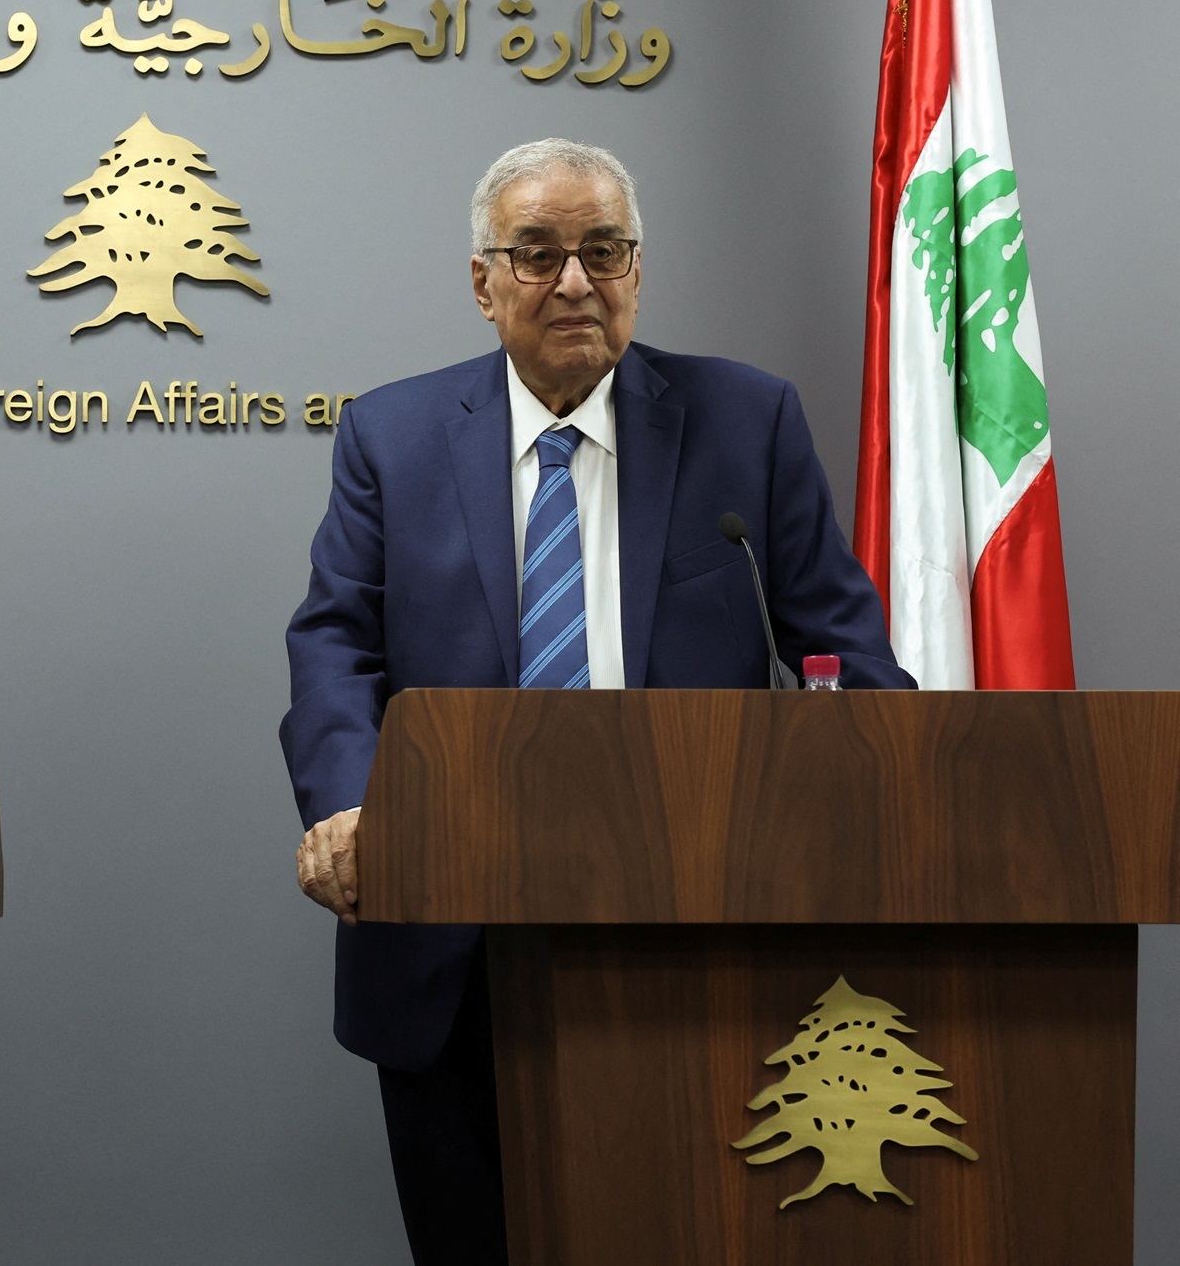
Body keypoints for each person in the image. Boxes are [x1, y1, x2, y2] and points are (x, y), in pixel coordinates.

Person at [279, 138, 912, 1264]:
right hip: (452, 932)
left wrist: (863, 772)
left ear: (636, 270)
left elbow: (845, 650)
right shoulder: (393, 435)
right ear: (483, 283)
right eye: (537, 254)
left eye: (603, 251)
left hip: (696, 927)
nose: (574, 281)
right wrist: (346, 803)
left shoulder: (746, 420)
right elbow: (335, 641)